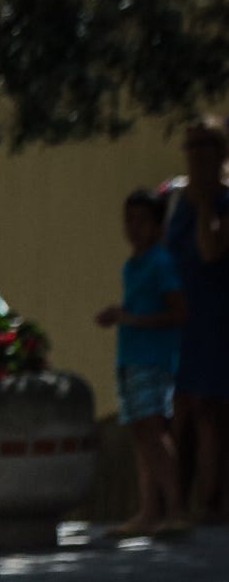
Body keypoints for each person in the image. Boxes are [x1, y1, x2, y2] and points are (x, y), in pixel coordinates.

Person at [99, 189, 188, 538]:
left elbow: (178, 312)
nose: (132, 228)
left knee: (153, 431)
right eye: (128, 220)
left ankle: (176, 508)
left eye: (140, 220)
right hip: (131, 358)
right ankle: (148, 511)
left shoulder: (160, 262)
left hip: (153, 360)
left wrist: (131, 319)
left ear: (155, 225)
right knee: (139, 434)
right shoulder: (132, 265)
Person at [167, 118, 229, 524]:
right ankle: (175, 502)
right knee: (178, 409)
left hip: (216, 316)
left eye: (207, 145)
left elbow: (210, 251)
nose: (197, 154)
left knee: (210, 409)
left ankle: (209, 502)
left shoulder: (224, 200)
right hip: (179, 319)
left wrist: (206, 201)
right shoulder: (172, 198)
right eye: (192, 146)